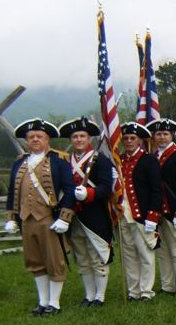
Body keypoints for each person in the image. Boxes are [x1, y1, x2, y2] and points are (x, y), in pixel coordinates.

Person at [4, 118, 75, 316]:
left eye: (39, 136)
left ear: (47, 139)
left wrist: (64, 217)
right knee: (34, 261)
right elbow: (13, 192)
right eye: (31, 137)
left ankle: (55, 302)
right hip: (26, 220)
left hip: (49, 219)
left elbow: (69, 190)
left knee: (54, 261)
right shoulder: (19, 162)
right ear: (27, 140)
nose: (35, 139)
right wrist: (11, 217)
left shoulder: (59, 161)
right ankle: (43, 302)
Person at [58, 117, 113, 306]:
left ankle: (100, 296)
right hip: (73, 216)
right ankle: (89, 295)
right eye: (75, 136)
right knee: (81, 258)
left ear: (89, 138)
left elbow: (107, 187)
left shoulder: (101, 160)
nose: (79, 139)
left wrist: (91, 193)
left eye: (82, 136)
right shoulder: (66, 161)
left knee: (97, 256)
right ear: (71, 140)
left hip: (95, 215)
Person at [147, 118, 176, 296]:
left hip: (175, 211)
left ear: (172, 135)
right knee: (163, 252)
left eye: (165, 134)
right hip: (158, 212)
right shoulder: (152, 158)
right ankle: (168, 286)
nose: (161, 137)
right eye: (158, 134)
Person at [119, 122, 162, 301]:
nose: (129, 141)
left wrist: (153, 214)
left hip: (141, 215)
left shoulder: (149, 160)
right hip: (123, 214)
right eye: (126, 138)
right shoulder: (119, 160)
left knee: (145, 254)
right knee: (129, 255)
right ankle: (133, 290)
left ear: (139, 141)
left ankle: (146, 290)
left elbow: (156, 189)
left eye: (132, 138)